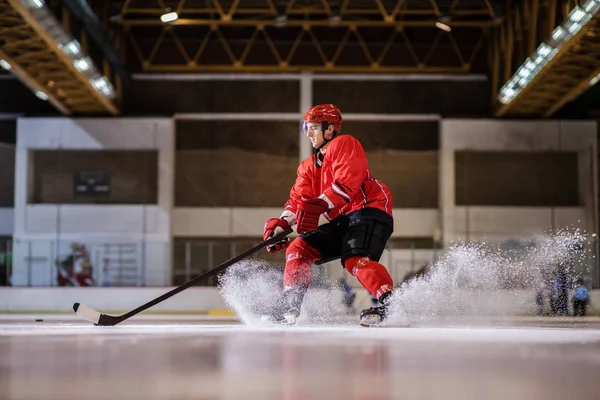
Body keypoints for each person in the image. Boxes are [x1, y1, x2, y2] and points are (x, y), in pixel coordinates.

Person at [262, 104, 395, 326]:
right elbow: (297, 201)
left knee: (355, 257)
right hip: (343, 220)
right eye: (307, 128)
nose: (308, 132)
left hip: (369, 208)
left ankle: (392, 304)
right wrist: (281, 225)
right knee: (299, 249)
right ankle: (290, 301)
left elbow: (347, 182)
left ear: (330, 129)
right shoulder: (308, 167)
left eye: (314, 127)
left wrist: (319, 204)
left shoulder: (345, 144)